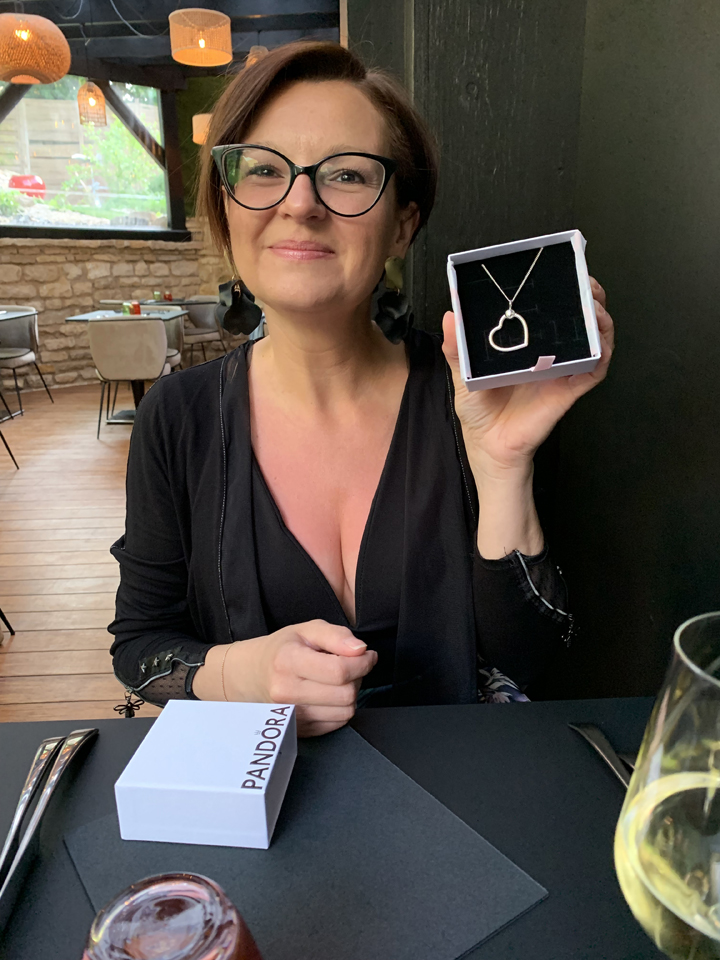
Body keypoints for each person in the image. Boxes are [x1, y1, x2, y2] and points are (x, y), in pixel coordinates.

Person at [109, 41, 614, 736]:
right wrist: (238, 674)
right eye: (263, 170)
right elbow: (139, 649)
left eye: (346, 174)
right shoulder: (177, 416)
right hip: (264, 800)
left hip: (457, 785)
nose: (300, 203)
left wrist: (502, 465)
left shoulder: (473, 399)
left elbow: (525, 660)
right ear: (227, 209)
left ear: (402, 224)